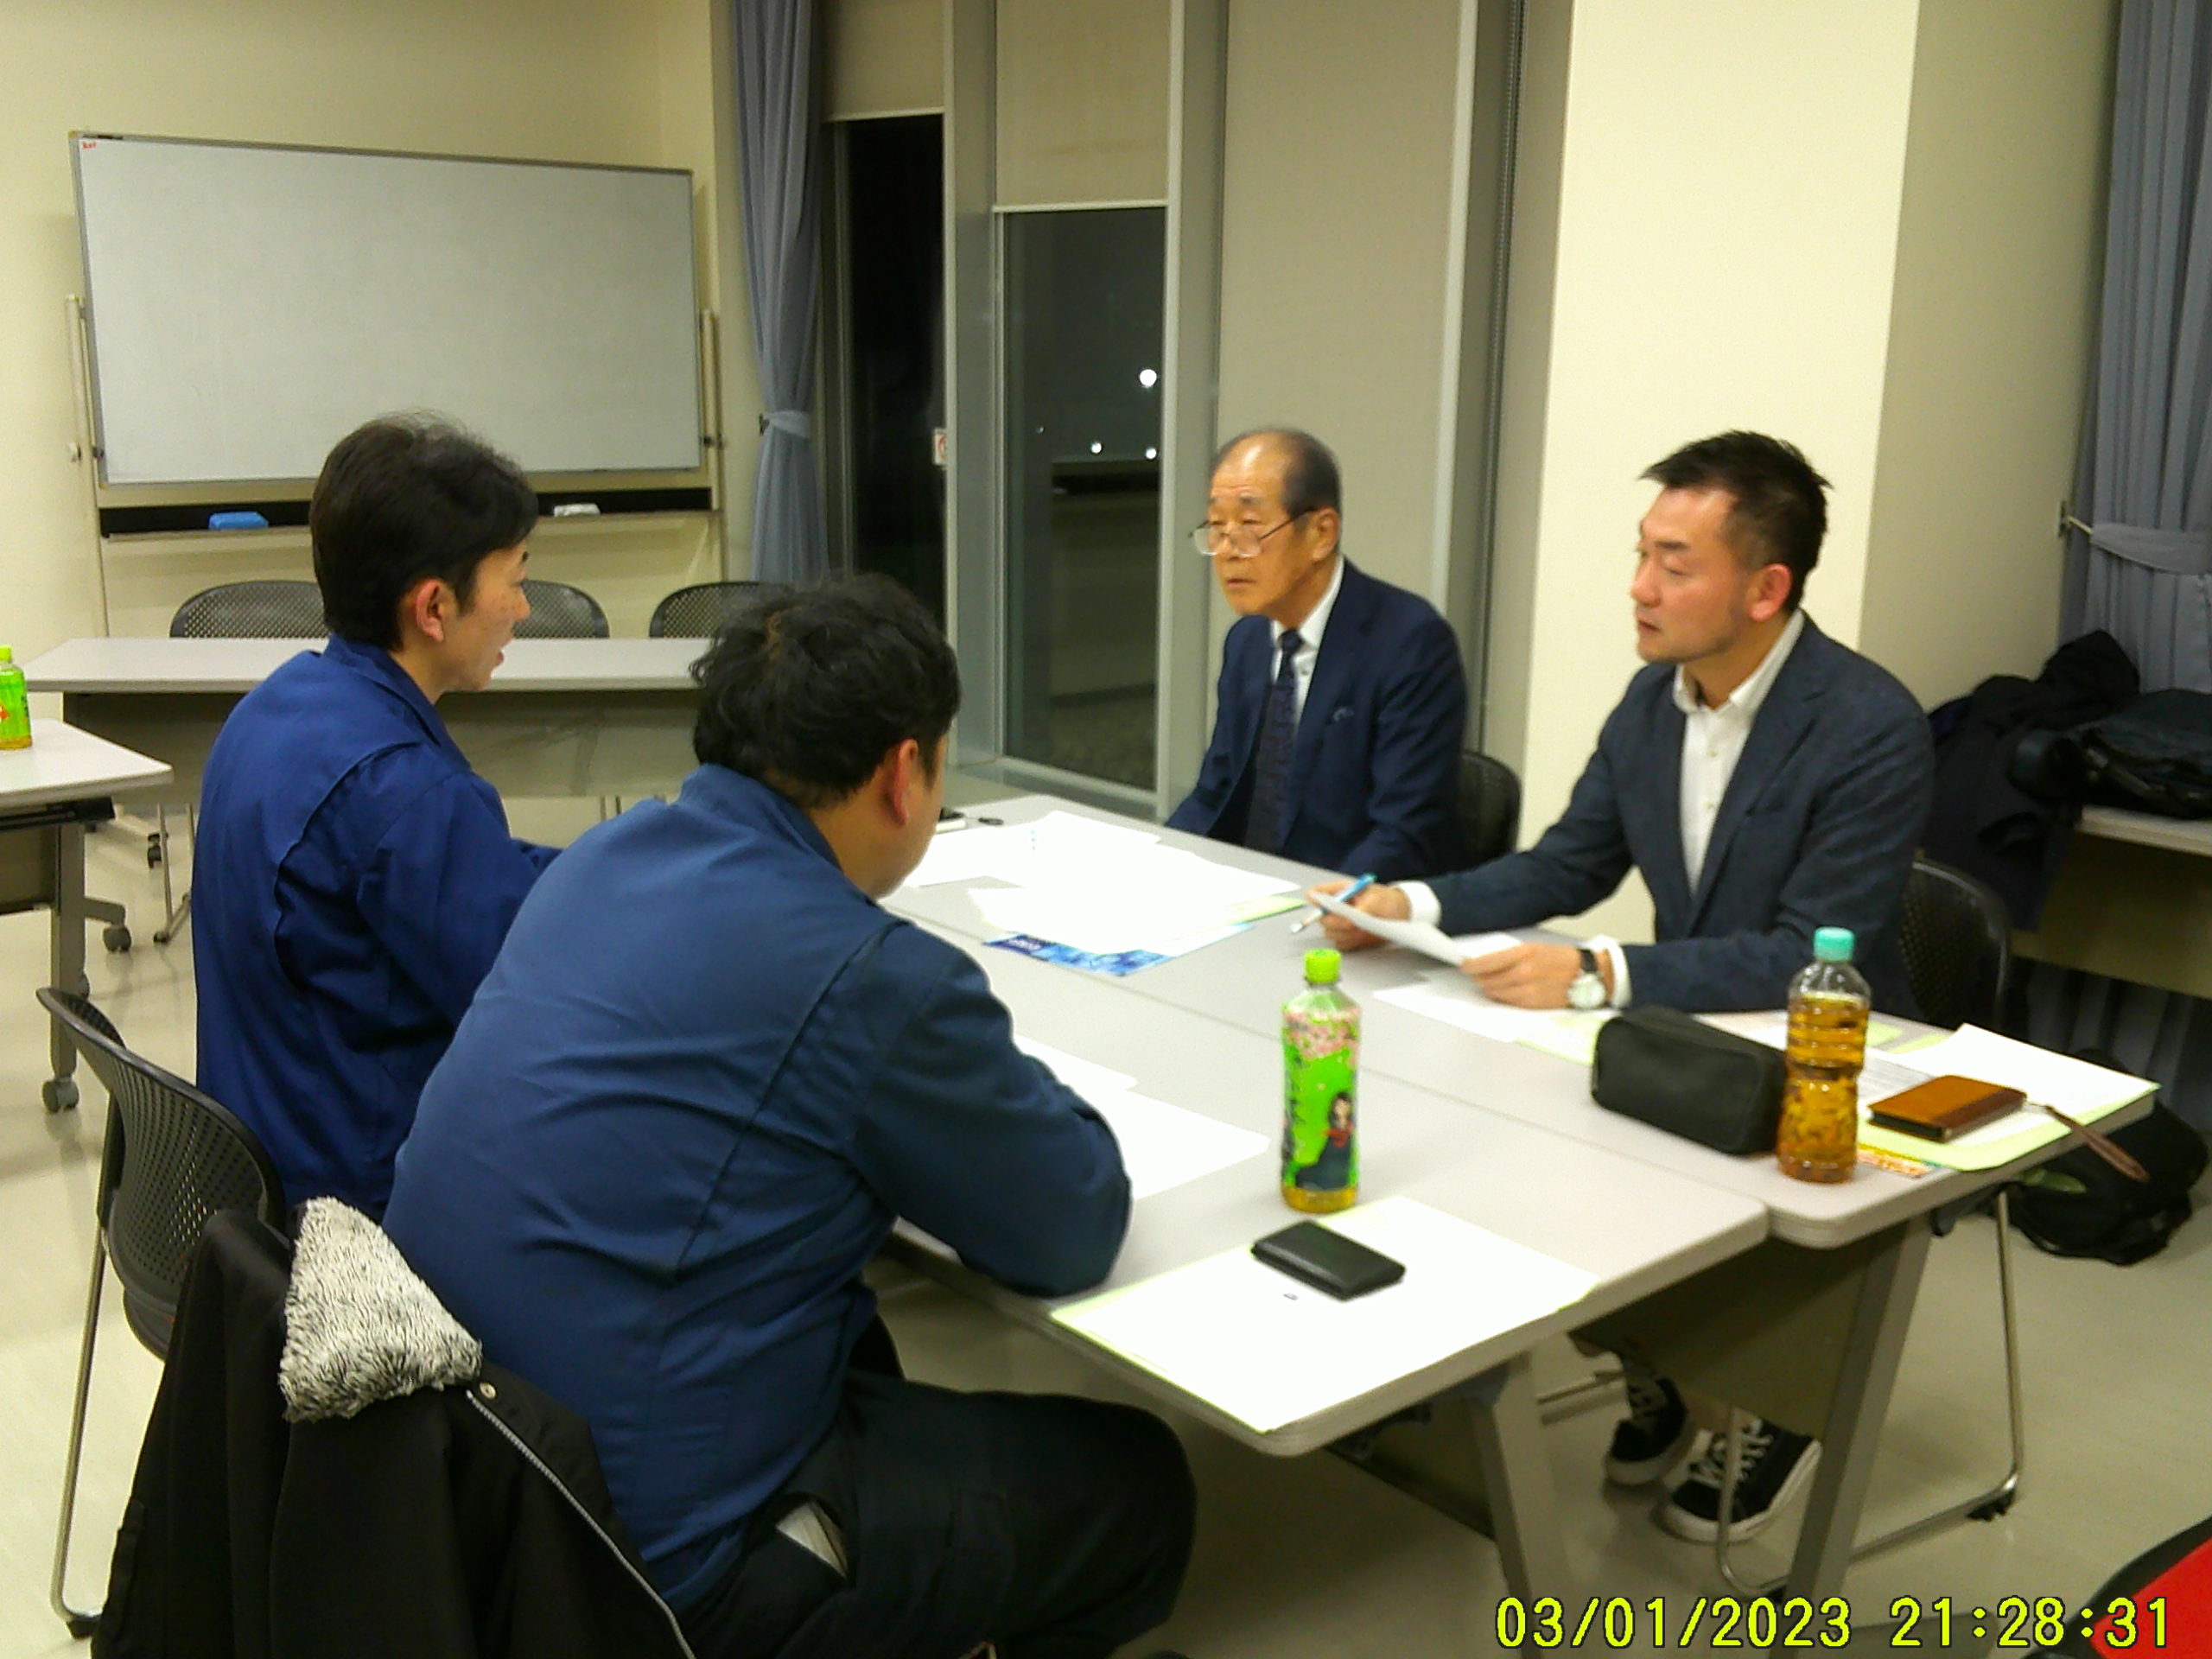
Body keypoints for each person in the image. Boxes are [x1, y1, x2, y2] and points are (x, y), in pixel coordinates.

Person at [382, 575, 1195, 1659]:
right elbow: (1070, 1225)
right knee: (1140, 1485)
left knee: (864, 1343)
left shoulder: (599, 861)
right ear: (903, 774)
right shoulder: (870, 977)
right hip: (660, 1580)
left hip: (466, 1488)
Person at [1319, 430, 1934, 1544]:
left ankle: (1785, 1407)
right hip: (1691, 1033)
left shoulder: (1867, 726)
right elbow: (1566, 866)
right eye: (1641, 554)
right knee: (1526, 1141)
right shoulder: (1654, 702)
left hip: (1833, 1056)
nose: (1639, 587)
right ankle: (1654, 1364)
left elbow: (1807, 950)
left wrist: (1599, 972)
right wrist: (1411, 905)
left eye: (1673, 563)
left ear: (1765, 589)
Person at [194, 416, 557, 1215]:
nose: (524, 609)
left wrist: (606, 867)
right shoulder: (407, 792)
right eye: (514, 579)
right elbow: (534, 1016)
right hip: (363, 1207)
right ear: (434, 606)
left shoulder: (276, 705)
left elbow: (461, 877)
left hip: (256, 1177)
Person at [1166, 429, 1466, 880]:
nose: (1227, 551)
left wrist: (1315, 905)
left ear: (1321, 534)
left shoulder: (1410, 642)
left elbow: (1403, 834)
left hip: (1349, 899)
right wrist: (1158, 866)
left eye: (1248, 527)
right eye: (1217, 528)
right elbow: (1215, 794)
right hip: (1250, 893)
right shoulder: (1247, 640)